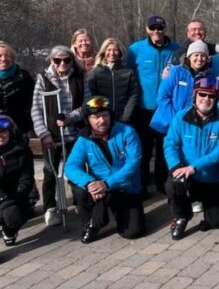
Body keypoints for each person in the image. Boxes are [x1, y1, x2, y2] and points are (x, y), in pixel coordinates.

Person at [64, 96, 146, 243]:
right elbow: (71, 166)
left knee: (133, 232)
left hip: (124, 187)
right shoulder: (84, 139)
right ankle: (92, 223)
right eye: (96, 117)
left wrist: (107, 184)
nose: (101, 120)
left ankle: (107, 213)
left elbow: (134, 163)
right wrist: (89, 183)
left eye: (105, 115)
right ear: (88, 119)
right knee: (79, 187)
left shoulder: (127, 132)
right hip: (98, 188)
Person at [164, 77, 219, 240]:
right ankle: (181, 216)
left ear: (216, 99)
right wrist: (176, 166)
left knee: (216, 221)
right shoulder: (181, 117)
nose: (206, 99)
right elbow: (170, 144)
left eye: (212, 96)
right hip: (186, 175)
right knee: (173, 183)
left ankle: (205, 206)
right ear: (195, 95)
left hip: (211, 177)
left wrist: (195, 166)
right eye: (202, 94)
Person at [31, 45, 85, 226]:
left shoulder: (79, 77)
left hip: (74, 134)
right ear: (51, 61)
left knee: (76, 169)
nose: (62, 63)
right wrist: (43, 134)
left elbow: (86, 105)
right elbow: (36, 110)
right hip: (51, 136)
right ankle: (50, 208)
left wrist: (71, 117)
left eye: (67, 60)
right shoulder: (43, 78)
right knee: (50, 172)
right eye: (57, 60)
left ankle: (79, 202)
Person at [126, 15, 179, 197]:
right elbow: (127, 74)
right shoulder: (135, 49)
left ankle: (162, 183)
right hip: (143, 108)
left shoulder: (176, 49)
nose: (156, 31)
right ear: (147, 30)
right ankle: (141, 184)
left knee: (164, 148)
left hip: (167, 108)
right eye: (153, 28)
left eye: (160, 28)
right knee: (144, 149)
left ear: (165, 29)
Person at [150, 40, 211, 135]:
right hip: (167, 124)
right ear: (189, 57)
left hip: (190, 127)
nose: (199, 59)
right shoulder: (176, 72)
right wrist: (175, 121)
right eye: (196, 55)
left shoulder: (208, 77)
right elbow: (163, 97)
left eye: (203, 55)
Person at [85, 38, 139, 124]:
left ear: (120, 52)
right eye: (109, 50)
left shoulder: (128, 72)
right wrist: (99, 116)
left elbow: (133, 96)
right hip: (102, 119)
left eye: (115, 50)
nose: (112, 53)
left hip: (123, 118)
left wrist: (126, 117)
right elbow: (90, 96)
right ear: (104, 52)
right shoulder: (95, 72)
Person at [0, 115, 35, 246]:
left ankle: (9, 230)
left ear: (10, 132)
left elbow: (27, 176)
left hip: (15, 192)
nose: (1, 136)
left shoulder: (22, 150)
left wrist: (19, 192)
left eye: (3, 132)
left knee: (14, 216)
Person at [0, 42, 35, 138]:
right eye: (0, 56)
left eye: (7, 55)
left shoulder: (24, 76)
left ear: (12, 58)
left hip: (20, 129)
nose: (3, 59)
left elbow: (32, 103)